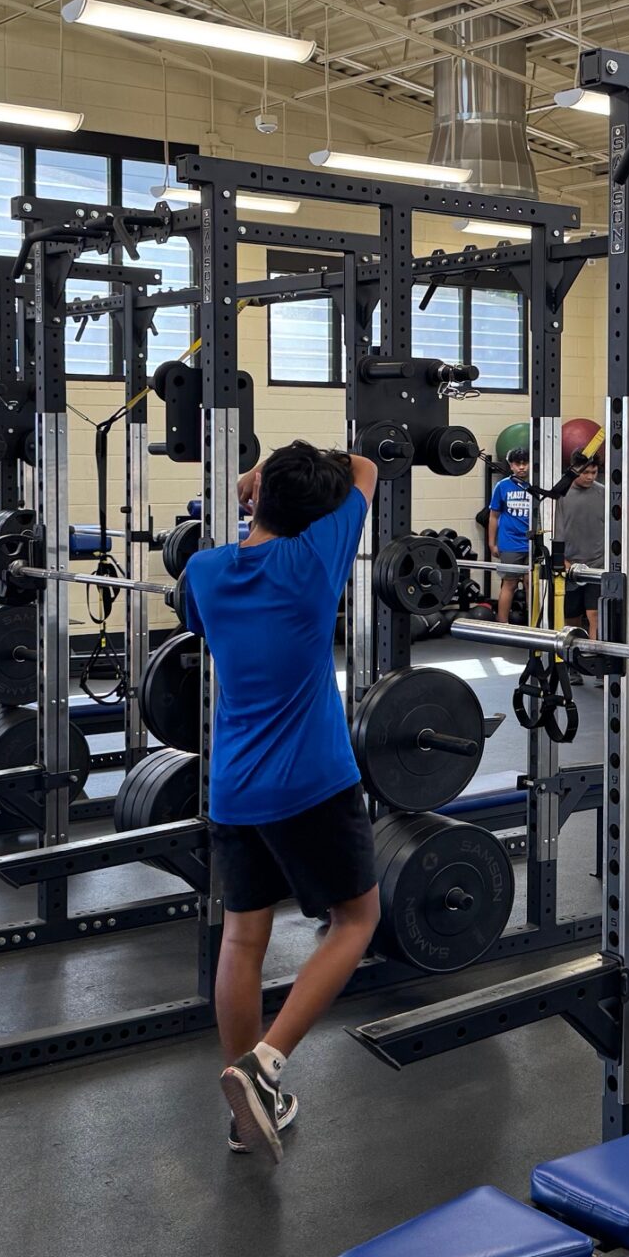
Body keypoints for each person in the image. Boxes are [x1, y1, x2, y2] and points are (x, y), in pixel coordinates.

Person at [180, 438, 383, 1161]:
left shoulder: (205, 571)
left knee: (241, 937)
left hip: (234, 788)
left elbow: (198, 619)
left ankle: (245, 1114)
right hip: (314, 784)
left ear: (257, 498)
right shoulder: (311, 563)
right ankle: (267, 1063)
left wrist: (251, 484)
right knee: (357, 920)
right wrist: (279, 486)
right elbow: (367, 469)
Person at [556, 454, 607, 635]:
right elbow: (555, 529)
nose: (590, 477)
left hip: (597, 565)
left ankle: (595, 656)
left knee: (595, 614)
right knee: (571, 617)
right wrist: (561, 558)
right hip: (570, 565)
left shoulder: (604, 493)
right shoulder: (560, 495)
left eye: (594, 472)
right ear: (574, 470)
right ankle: (574, 657)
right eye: (585, 472)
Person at [484, 445, 535, 624]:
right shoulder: (502, 486)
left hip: (533, 543)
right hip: (510, 543)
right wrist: (492, 542)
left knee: (532, 583)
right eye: (517, 464)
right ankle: (502, 623)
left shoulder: (536, 485)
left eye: (525, 463)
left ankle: (533, 624)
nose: (522, 467)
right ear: (511, 465)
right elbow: (493, 516)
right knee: (509, 584)